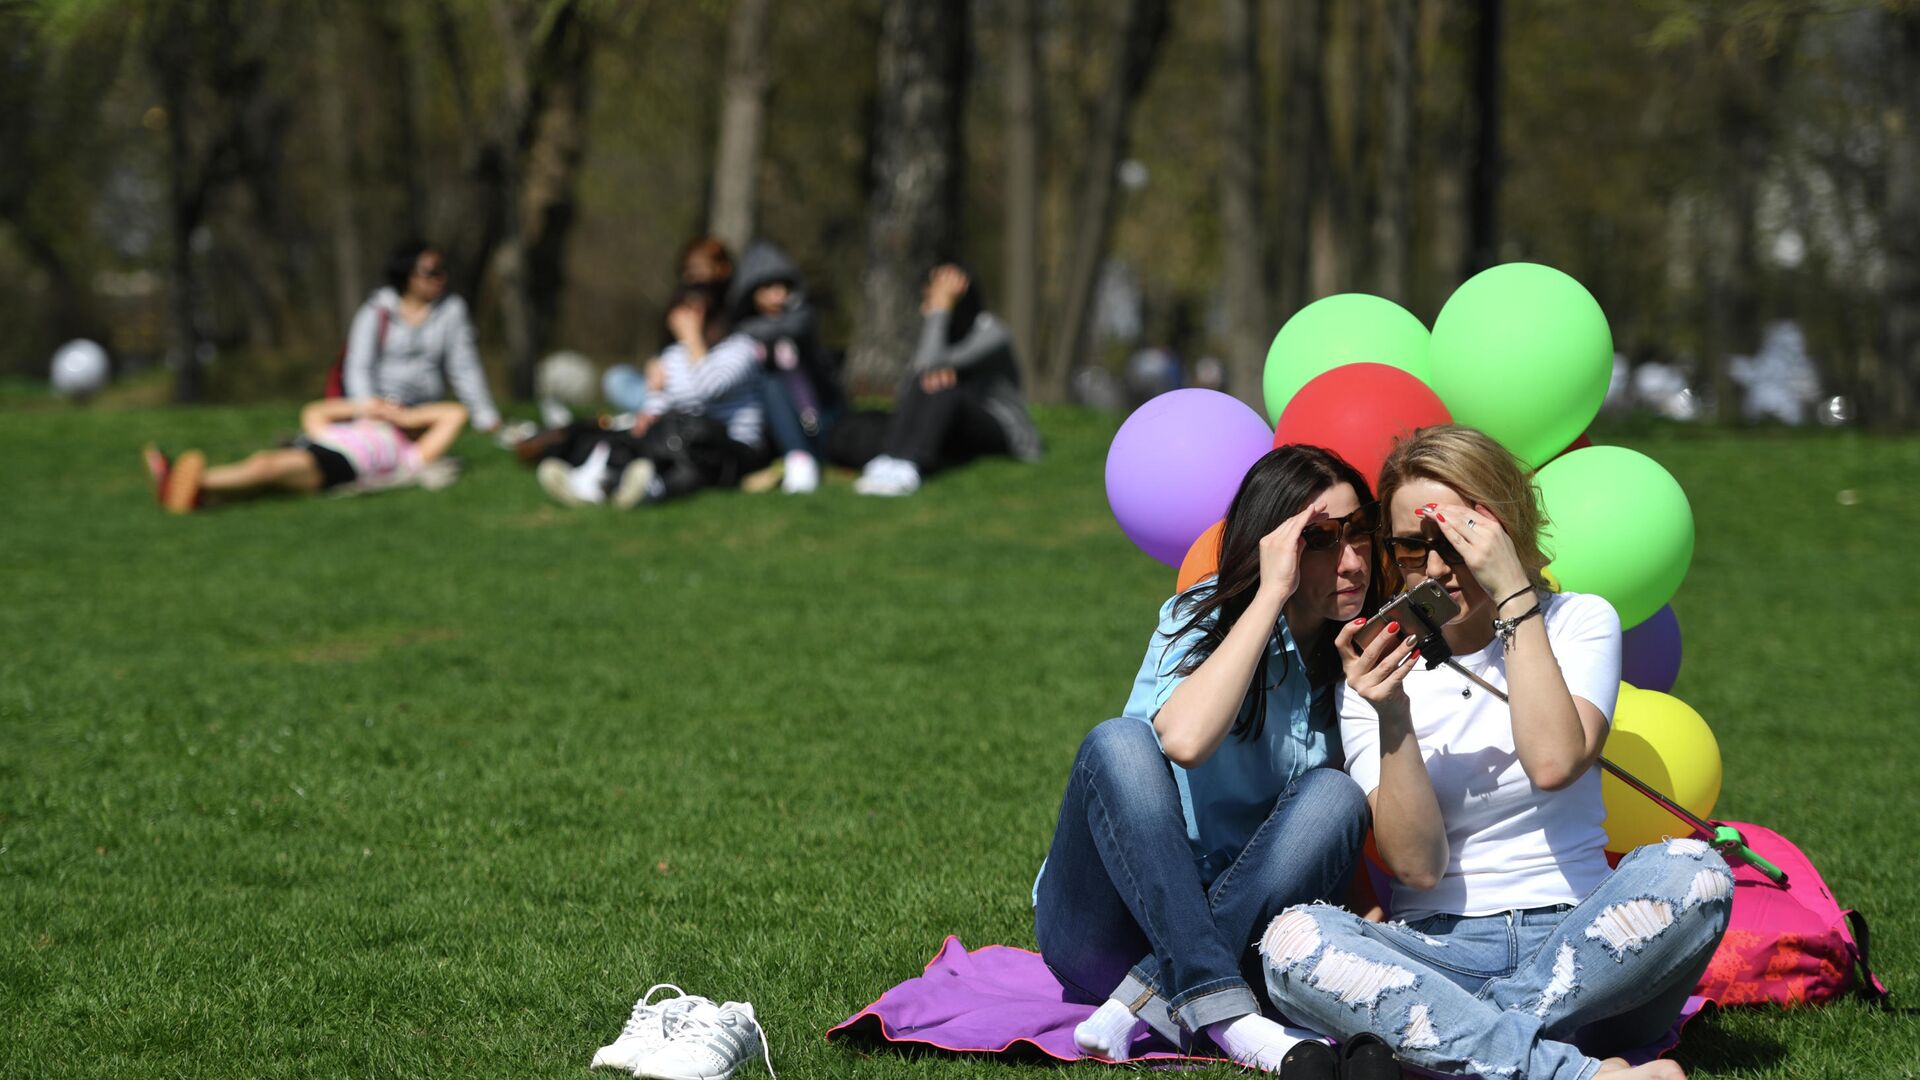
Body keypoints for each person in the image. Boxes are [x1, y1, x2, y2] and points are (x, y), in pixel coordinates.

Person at [1260, 425, 1733, 1080]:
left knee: (1696, 870)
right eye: (1408, 547)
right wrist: (1392, 712)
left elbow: (1554, 761)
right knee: (1291, 943)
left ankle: (1449, 1043)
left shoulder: (1576, 621)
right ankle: (1576, 1074)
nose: (1432, 569)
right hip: (1439, 948)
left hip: (1587, 948)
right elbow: (1418, 867)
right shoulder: (1374, 674)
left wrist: (1513, 597)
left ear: (1501, 530)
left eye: (1455, 543)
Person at [1033, 446, 1380, 1073]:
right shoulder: (1199, 621)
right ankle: (1230, 1020)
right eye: (1322, 539)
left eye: (1361, 531)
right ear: (1277, 542)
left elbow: (1325, 836)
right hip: (1102, 927)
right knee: (1117, 743)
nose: (1352, 560)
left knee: (1337, 796)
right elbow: (1185, 741)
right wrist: (1272, 593)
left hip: (1242, 929)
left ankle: (1143, 1004)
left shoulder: (1361, 661)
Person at [537, 282, 770, 508]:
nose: (695, 325)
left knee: (692, 439)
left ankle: (649, 490)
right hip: (678, 439)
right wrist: (648, 415)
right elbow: (659, 401)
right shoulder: (673, 355)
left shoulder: (741, 349)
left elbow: (710, 387)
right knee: (626, 435)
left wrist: (692, 339)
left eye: (701, 318)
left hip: (730, 447)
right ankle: (590, 483)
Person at [853, 265, 1041, 496]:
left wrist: (940, 310)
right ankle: (891, 458)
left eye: (935, 294)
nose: (928, 299)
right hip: (954, 422)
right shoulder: (942, 333)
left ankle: (909, 464)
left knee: (943, 388)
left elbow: (928, 363)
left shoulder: (992, 331)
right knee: (928, 382)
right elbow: (915, 379)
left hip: (1000, 426)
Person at [143, 399, 467, 513]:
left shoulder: (411, 450)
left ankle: (186, 481)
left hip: (341, 464)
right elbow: (314, 412)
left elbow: (455, 414)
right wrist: (365, 407)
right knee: (262, 476)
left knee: (263, 466)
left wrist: (408, 419)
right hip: (316, 448)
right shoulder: (358, 424)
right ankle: (200, 496)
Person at [342, 241, 500, 433]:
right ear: (407, 275)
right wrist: (367, 413)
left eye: (442, 271)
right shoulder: (376, 311)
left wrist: (485, 416)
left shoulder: (452, 310)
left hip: (426, 413)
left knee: (454, 416)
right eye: (431, 272)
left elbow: (464, 367)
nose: (440, 278)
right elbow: (358, 367)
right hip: (380, 409)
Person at [727, 242, 842, 494]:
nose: (778, 294)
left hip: (822, 416)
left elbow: (793, 327)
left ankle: (801, 458)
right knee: (770, 382)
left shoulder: (802, 317)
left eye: (784, 286)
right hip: (771, 429)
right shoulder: (739, 338)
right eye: (768, 287)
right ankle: (797, 458)